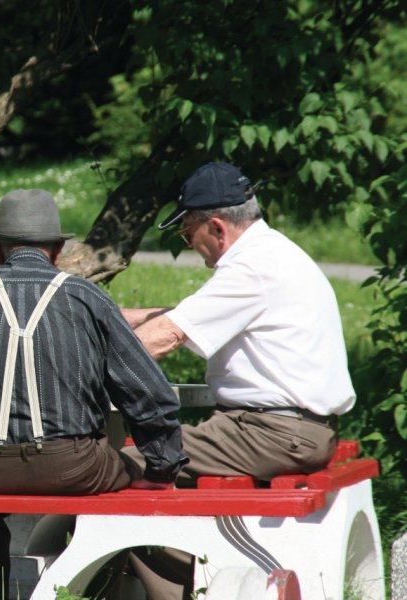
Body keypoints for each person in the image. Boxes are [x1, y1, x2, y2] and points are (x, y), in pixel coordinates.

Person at [0, 189, 188, 600]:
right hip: (76, 468)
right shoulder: (87, 297)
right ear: (57, 250)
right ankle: (89, 586)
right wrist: (162, 471)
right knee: (128, 474)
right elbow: (149, 395)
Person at [120, 162, 356, 599]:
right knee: (140, 461)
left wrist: (72, 364)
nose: (191, 246)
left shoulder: (250, 268)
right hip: (290, 429)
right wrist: (113, 317)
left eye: (187, 235)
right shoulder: (270, 254)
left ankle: (185, 585)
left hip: (273, 432)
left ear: (216, 227)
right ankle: (193, 571)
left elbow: (166, 336)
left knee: (118, 465)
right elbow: (182, 317)